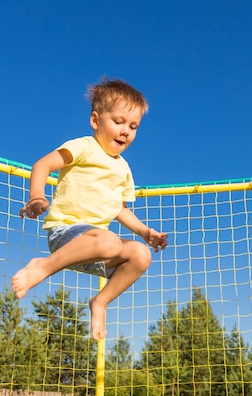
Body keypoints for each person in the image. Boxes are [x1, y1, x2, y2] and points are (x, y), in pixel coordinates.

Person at [12, 77, 168, 341]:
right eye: (118, 122)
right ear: (96, 121)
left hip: (94, 249)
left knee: (141, 255)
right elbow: (42, 165)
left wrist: (144, 232)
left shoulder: (124, 169)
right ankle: (43, 267)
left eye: (133, 126)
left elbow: (119, 209)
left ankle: (100, 303)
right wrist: (36, 197)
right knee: (109, 241)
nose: (125, 131)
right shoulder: (85, 147)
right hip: (66, 234)